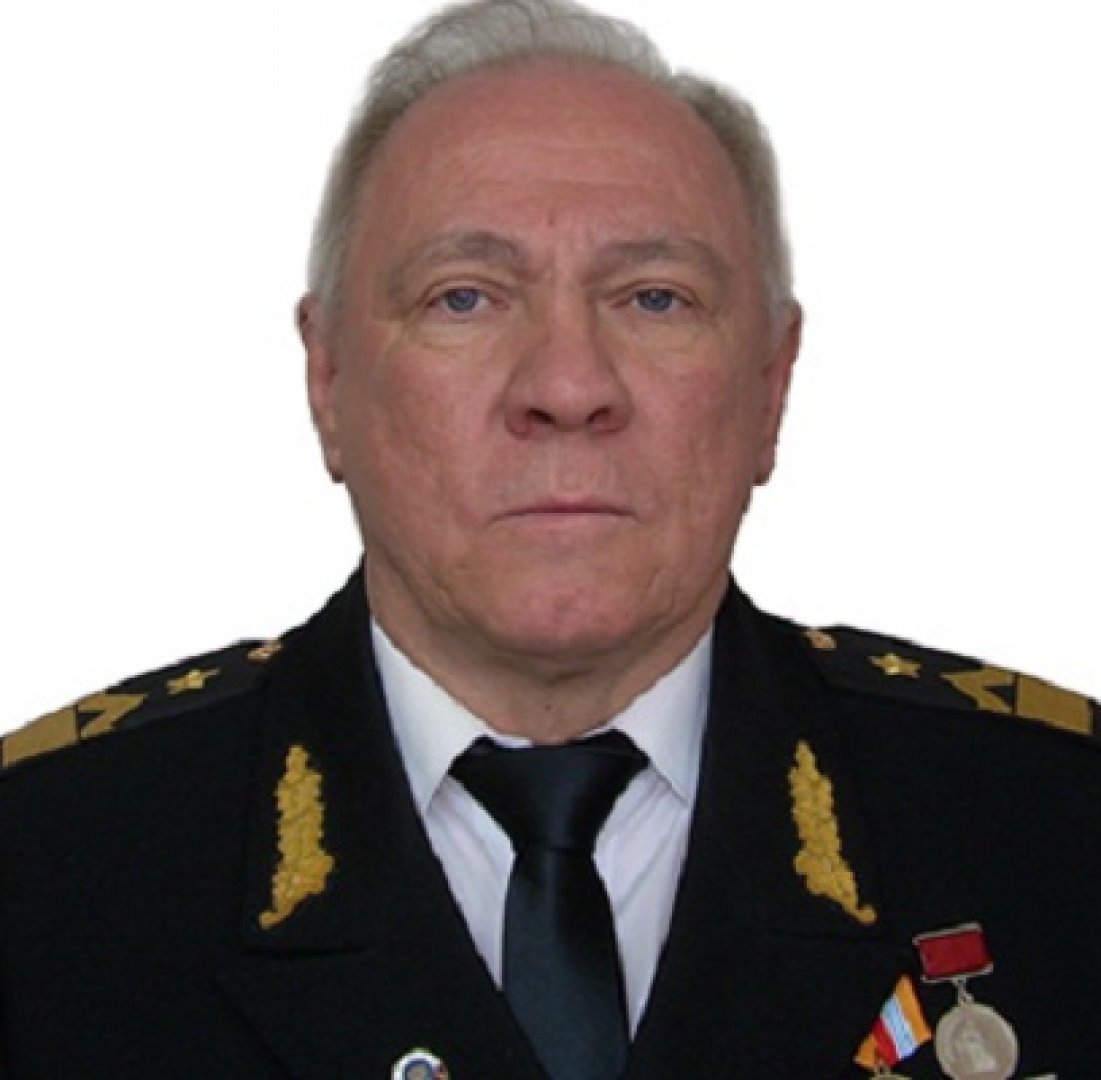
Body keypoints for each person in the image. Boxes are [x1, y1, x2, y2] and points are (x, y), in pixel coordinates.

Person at [0, 0, 1096, 1076]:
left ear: (771, 385)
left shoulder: (1055, 825)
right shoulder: (49, 861)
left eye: (655, 299)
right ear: (327, 379)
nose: (568, 387)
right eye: (464, 298)